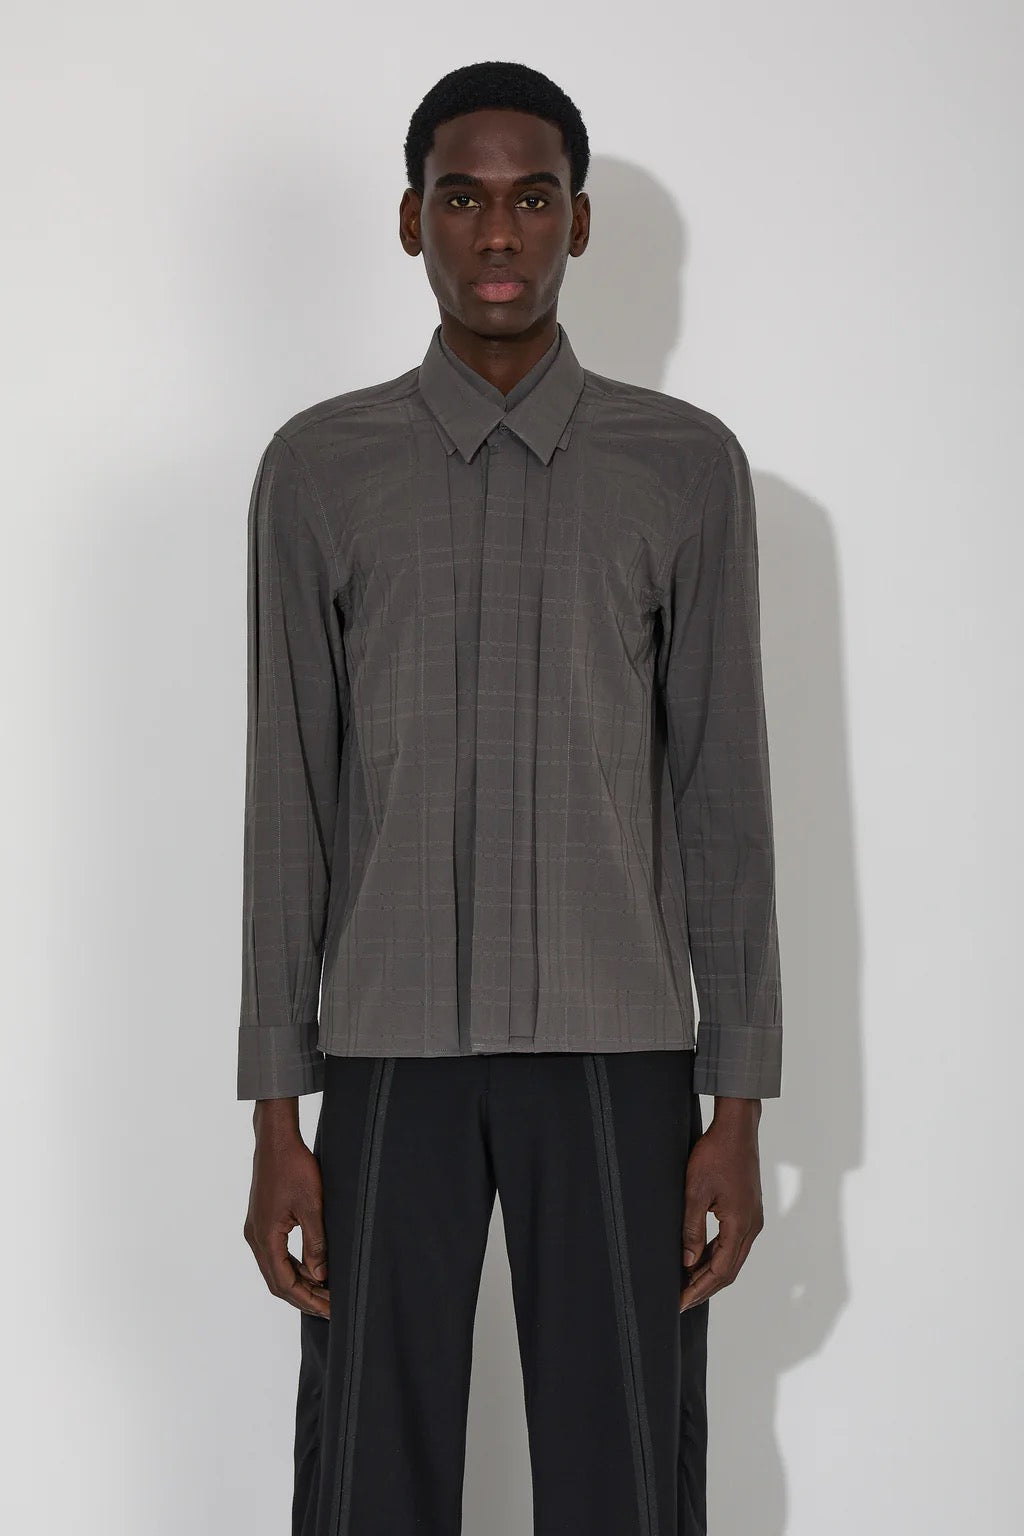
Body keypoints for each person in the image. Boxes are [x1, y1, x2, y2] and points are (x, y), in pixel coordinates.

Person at [237, 58, 783, 1536]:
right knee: (368, 1471)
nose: (498, 233)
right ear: (409, 219)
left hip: (618, 1054)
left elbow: (724, 796)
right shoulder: (318, 470)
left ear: (579, 224)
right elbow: (288, 801)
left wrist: (737, 1106)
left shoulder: (685, 468)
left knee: (624, 1475)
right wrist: (278, 1117)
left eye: (532, 200)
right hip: (388, 1054)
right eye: (462, 198)